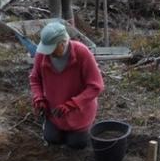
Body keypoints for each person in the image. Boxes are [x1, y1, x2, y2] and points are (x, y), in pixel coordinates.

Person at [29, 21, 104, 150]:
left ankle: (83, 129)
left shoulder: (82, 53)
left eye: (52, 48)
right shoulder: (42, 54)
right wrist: (39, 98)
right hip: (55, 112)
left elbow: (96, 86)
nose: (48, 53)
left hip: (79, 111)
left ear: (63, 43)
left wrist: (72, 104)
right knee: (52, 139)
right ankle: (54, 127)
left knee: (76, 143)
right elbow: (35, 79)